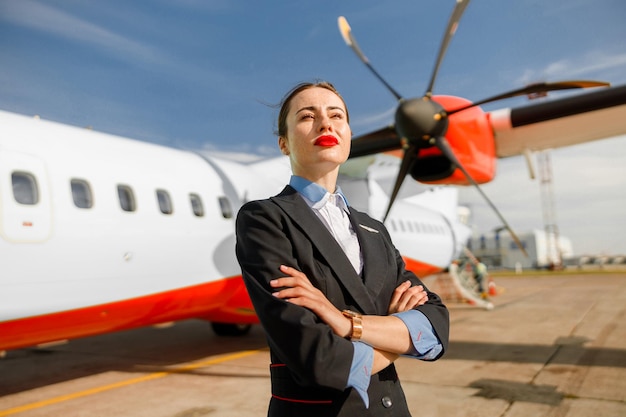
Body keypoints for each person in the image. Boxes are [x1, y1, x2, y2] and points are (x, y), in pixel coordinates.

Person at [235, 81, 449, 417]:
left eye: (337, 115)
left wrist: (348, 324)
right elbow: (320, 359)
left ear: (348, 135)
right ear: (283, 143)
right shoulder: (264, 219)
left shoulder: (373, 229)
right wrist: (399, 339)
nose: (326, 123)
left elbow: (435, 324)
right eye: (308, 116)